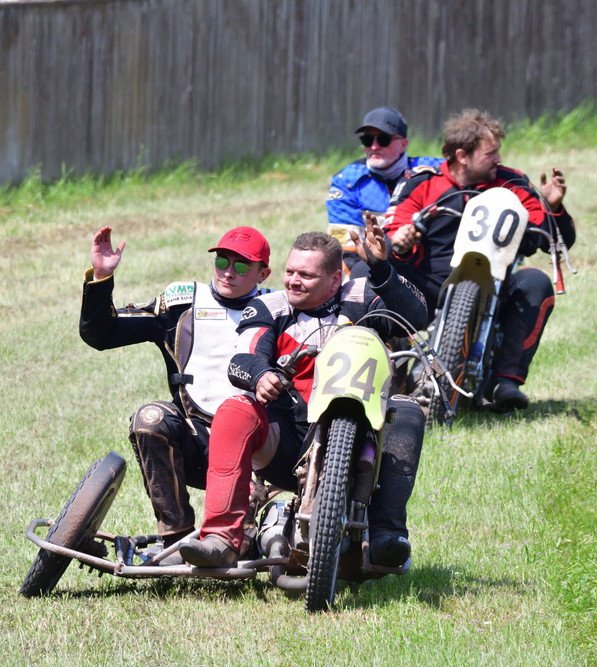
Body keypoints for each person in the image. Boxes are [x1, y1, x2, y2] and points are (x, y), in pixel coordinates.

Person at [179, 223, 429, 570]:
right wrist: (260, 375)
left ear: (333, 280)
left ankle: (387, 534)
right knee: (236, 408)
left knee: (408, 411)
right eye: (290, 272)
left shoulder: (362, 295)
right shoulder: (270, 306)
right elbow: (242, 358)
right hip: (290, 437)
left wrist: (382, 269)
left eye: (306, 276)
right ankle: (221, 538)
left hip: (362, 430)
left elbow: (416, 318)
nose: (293, 281)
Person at [79, 224, 272, 559]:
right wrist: (101, 277)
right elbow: (103, 334)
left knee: (246, 548)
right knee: (149, 418)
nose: (229, 272)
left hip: (257, 446)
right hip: (196, 438)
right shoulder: (180, 302)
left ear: (263, 272)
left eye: (241, 266)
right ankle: (176, 537)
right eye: (222, 261)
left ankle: (258, 531)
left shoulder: (279, 308)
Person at [383, 108, 576, 411]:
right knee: (374, 277)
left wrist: (552, 208)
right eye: (490, 154)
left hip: (496, 283)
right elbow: (393, 231)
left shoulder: (512, 182)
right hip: (429, 286)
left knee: (536, 283)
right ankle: (389, 376)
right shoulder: (422, 182)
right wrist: (402, 240)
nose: (498, 160)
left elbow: (547, 235)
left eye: (498, 152)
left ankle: (505, 381)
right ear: (462, 156)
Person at [326, 106, 442, 276]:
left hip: (428, 262)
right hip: (374, 267)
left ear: (404, 144)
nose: (374, 146)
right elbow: (346, 250)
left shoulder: (431, 170)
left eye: (383, 139)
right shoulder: (346, 182)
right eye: (367, 140)